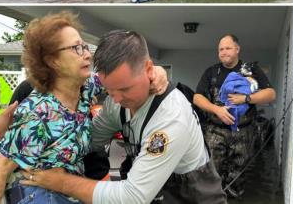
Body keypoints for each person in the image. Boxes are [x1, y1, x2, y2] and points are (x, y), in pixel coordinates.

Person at [21, 30, 227, 204]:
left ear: (148, 69)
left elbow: (133, 197)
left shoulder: (171, 118)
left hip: (192, 196)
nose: (117, 99)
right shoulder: (116, 101)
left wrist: (60, 182)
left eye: (125, 89)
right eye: (109, 91)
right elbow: (91, 141)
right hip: (155, 191)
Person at [0, 12, 103, 204]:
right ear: (52, 61)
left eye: (84, 46)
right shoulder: (37, 111)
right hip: (39, 196)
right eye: (76, 48)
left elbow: (120, 75)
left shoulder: (86, 88)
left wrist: (157, 72)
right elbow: (0, 169)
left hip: (70, 193)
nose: (87, 54)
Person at [193, 34, 276, 199]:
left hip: (243, 133)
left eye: (228, 48)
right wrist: (216, 110)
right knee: (211, 172)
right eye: (220, 49)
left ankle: (233, 196)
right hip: (215, 131)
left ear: (237, 49)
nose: (223, 52)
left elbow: (271, 94)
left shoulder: (251, 70)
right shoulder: (211, 72)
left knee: (238, 175)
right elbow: (197, 97)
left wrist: (246, 98)